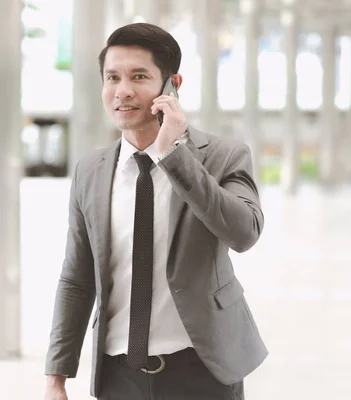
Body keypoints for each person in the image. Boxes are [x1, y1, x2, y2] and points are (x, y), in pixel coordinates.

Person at [44, 22, 267, 400]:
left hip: (203, 372)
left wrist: (175, 157)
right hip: (119, 376)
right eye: (112, 77)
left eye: (139, 76)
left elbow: (244, 232)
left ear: (172, 85)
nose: (123, 91)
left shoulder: (223, 156)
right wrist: (56, 377)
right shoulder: (91, 170)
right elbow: (77, 277)